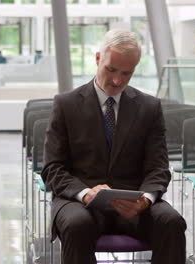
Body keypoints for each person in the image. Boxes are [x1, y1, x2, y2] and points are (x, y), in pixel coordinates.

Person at [42, 29, 186, 264]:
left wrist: (146, 200)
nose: (117, 80)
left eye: (126, 73)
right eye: (111, 70)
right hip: (79, 202)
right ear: (98, 58)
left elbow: (158, 167)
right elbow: (53, 168)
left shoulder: (149, 108)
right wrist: (86, 193)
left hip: (134, 203)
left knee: (172, 222)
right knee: (77, 225)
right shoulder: (65, 104)